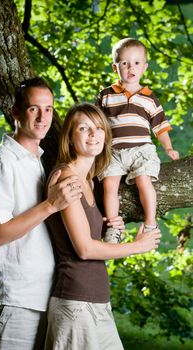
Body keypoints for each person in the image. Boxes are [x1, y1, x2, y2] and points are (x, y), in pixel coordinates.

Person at [0, 77, 83, 350]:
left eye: (48, 109)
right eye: (34, 108)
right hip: (14, 295)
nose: (42, 117)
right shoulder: (1, 162)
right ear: (15, 112)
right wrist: (50, 205)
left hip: (42, 293)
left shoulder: (36, 161)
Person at [44, 102, 161, 350]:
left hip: (97, 302)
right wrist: (137, 247)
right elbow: (85, 250)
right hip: (76, 305)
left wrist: (113, 232)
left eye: (98, 128)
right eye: (84, 128)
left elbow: (97, 250)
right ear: (69, 137)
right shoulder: (67, 178)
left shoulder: (89, 181)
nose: (93, 134)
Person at [96, 37, 179, 243]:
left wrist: (168, 147)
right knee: (109, 185)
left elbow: (160, 127)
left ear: (144, 67)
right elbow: (97, 123)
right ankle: (114, 226)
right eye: (124, 63)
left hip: (141, 150)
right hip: (114, 151)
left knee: (144, 180)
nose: (130, 67)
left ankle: (150, 223)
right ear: (116, 68)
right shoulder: (106, 95)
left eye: (136, 63)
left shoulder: (149, 98)